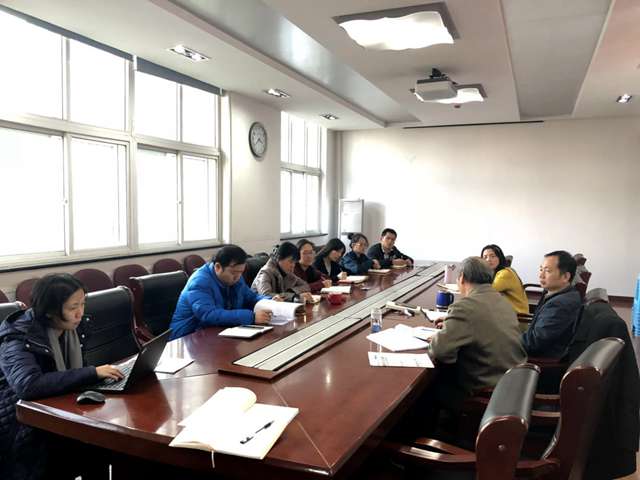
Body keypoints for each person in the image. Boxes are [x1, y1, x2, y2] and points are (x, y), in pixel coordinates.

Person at [0, 274, 123, 479]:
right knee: (91, 443)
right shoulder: (17, 337)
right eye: (73, 307)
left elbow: (72, 371)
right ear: (49, 311)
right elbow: (28, 386)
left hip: (55, 406)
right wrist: (91, 373)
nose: (80, 313)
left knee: (101, 440)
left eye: (82, 304)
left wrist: (95, 377)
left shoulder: (72, 329)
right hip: (19, 421)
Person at [427, 257, 526, 409]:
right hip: (514, 383)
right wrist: (452, 324)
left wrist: (441, 337)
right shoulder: (502, 300)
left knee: (427, 390)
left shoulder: (464, 307)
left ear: (462, 278)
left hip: (487, 393)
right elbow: (483, 321)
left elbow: (440, 352)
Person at [170, 245, 276, 340]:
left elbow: (251, 297)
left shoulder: (236, 278)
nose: (238, 277)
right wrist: (251, 317)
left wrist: (270, 301)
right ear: (218, 267)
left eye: (241, 272)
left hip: (218, 332)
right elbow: (209, 314)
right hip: (188, 337)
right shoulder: (199, 282)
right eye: (234, 273)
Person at [521, 250, 581, 358]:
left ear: (565, 277)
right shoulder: (558, 294)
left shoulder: (560, 304)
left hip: (538, 361)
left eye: (547, 271)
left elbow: (534, 343)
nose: (541, 275)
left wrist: (506, 340)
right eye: (541, 269)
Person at [481, 244, 529, 315]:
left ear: (500, 258)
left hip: (519, 317)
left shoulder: (505, 273)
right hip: (508, 314)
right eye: (485, 257)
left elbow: (487, 291)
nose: (488, 259)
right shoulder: (497, 272)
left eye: (492, 256)